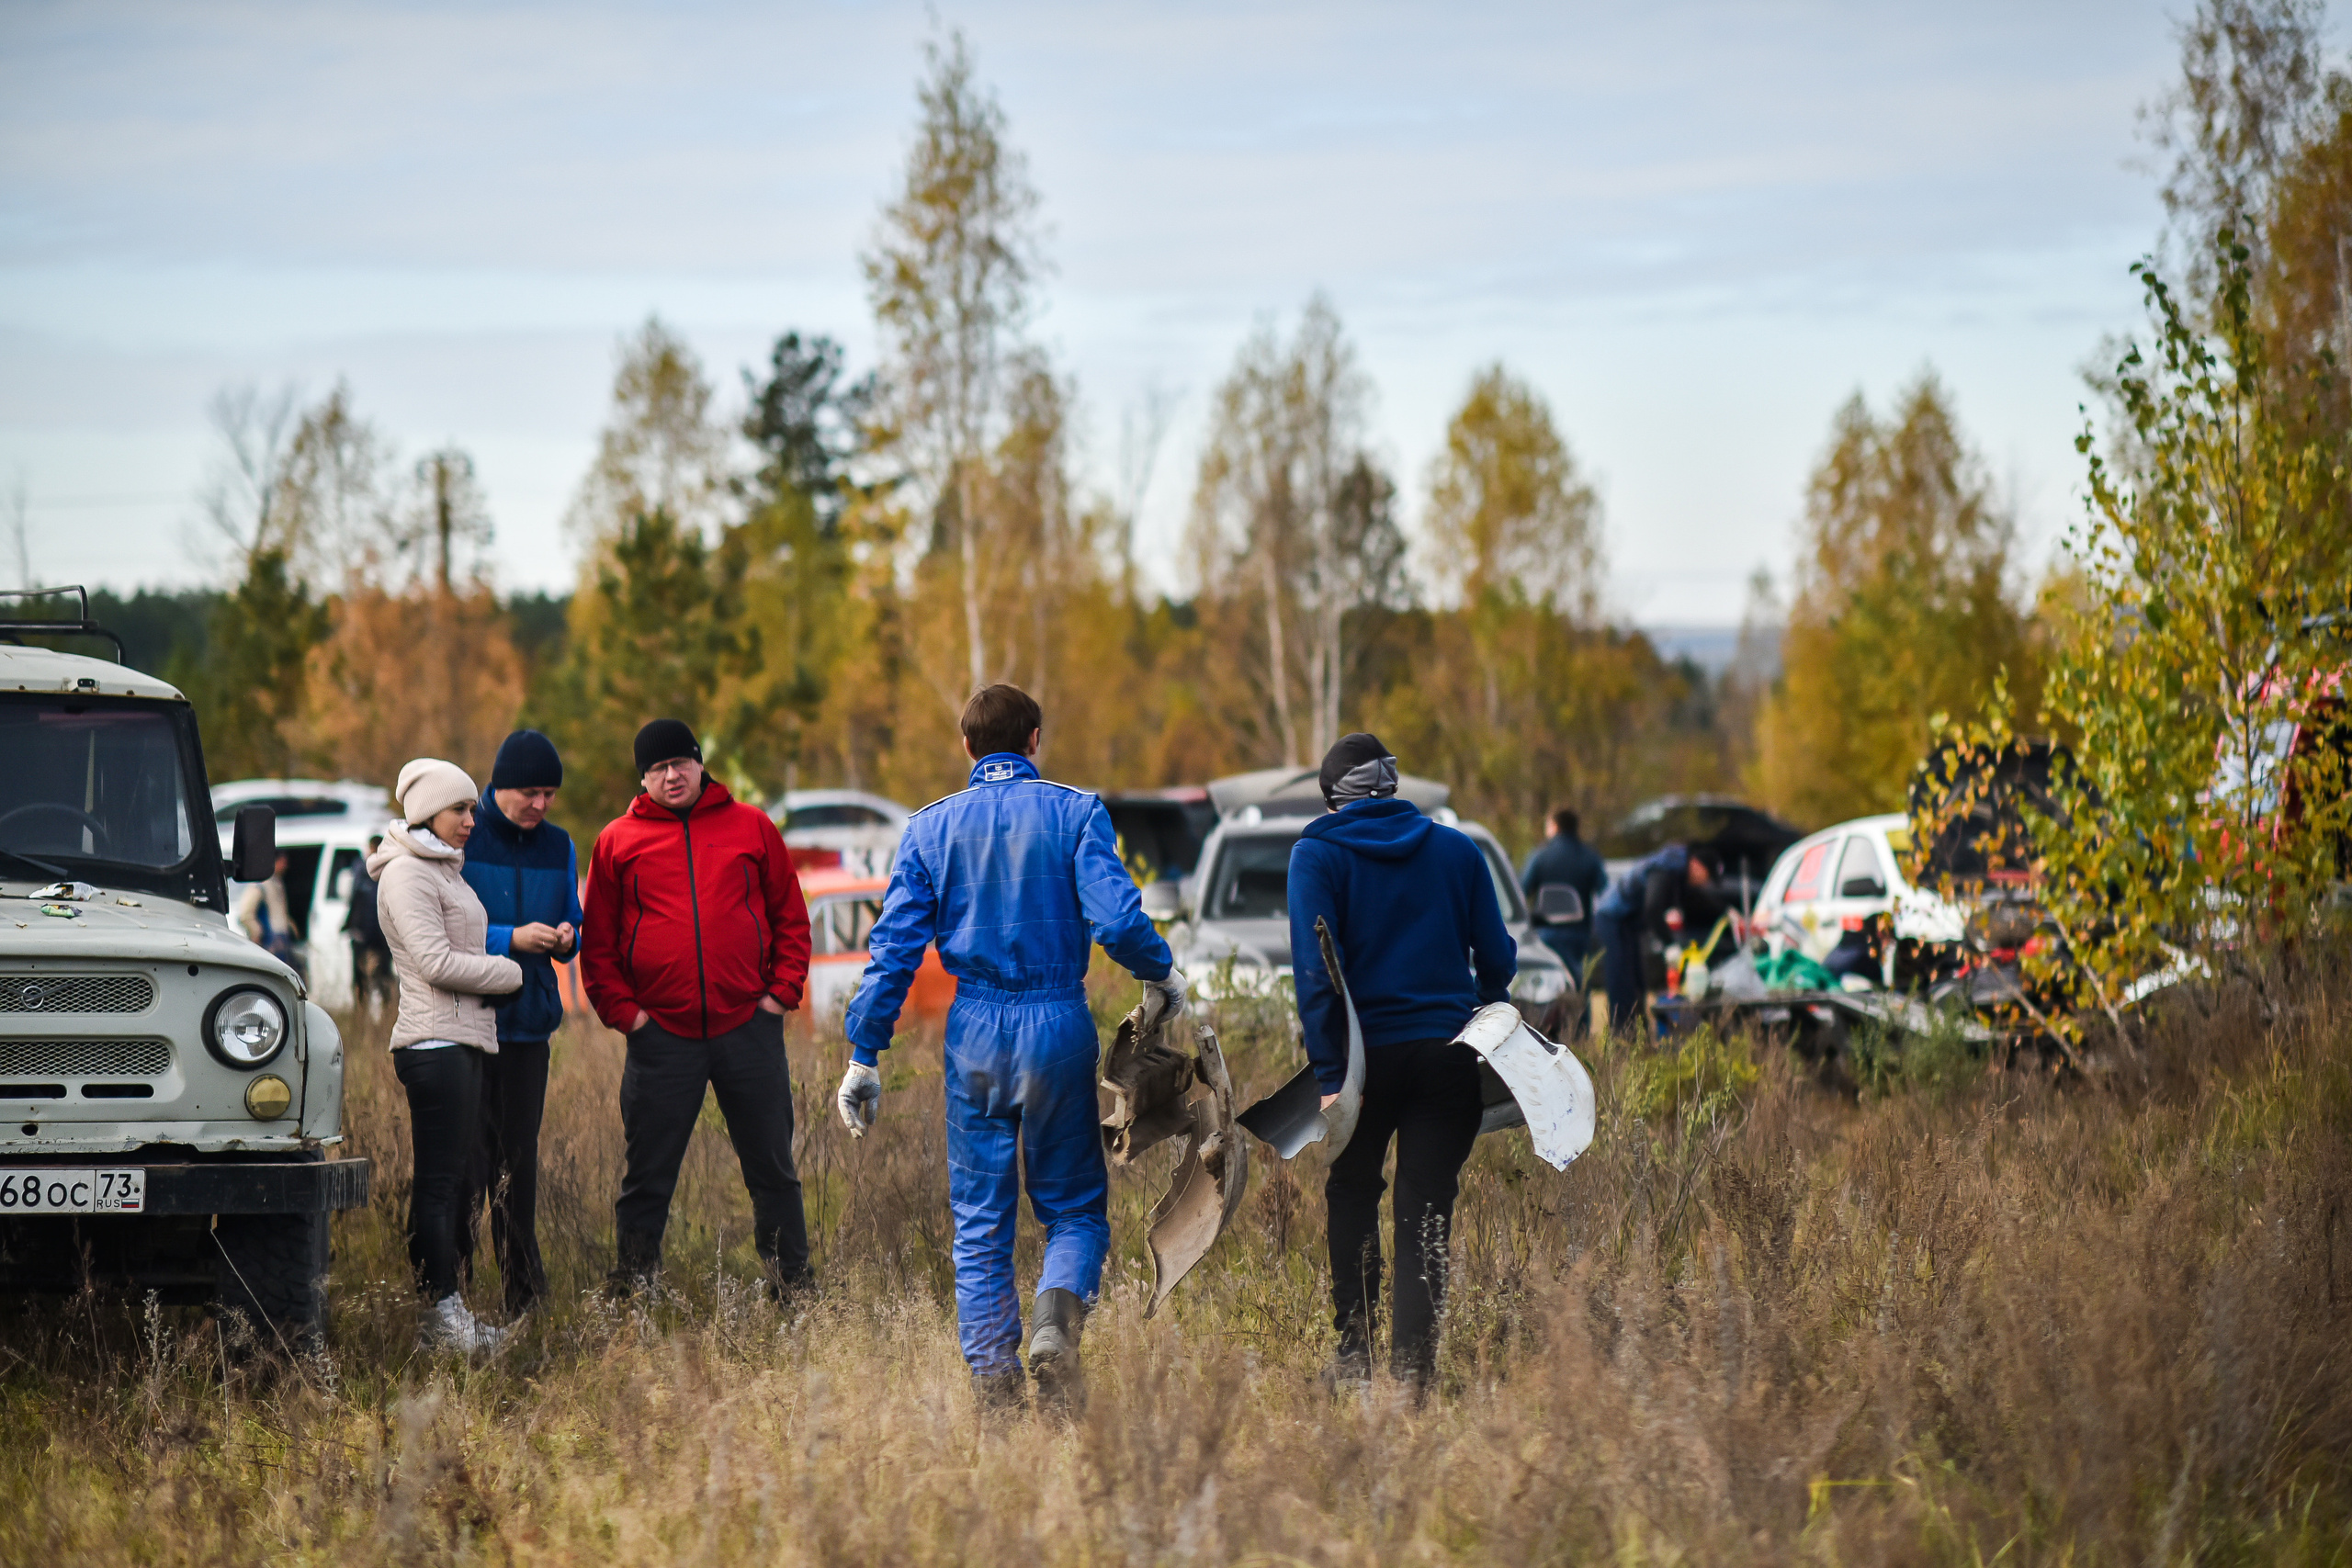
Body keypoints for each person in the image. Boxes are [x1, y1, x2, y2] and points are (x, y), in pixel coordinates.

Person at [834, 684, 1182, 1412]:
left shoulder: (930, 828)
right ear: (1034, 740)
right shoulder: (1075, 811)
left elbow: (892, 953)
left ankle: (995, 1390)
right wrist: (1162, 974)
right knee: (1075, 1207)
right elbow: (1119, 922)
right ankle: (1055, 1324)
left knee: (980, 1219)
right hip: (1057, 1023)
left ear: (967, 747)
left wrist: (864, 1053)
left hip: (974, 1034)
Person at [1289, 732, 1518, 1392]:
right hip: (1448, 1056)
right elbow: (1497, 958)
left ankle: (1355, 1359)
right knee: (1425, 1206)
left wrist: (1330, 1074)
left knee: (1353, 1190)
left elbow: (1316, 971)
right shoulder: (1457, 849)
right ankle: (1413, 1375)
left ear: (1333, 800)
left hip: (1364, 1060)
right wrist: (1487, 1008)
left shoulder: (1316, 854)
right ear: (1392, 785)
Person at [580, 718, 814, 1296]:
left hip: (748, 1029)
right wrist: (630, 1017)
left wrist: (779, 995)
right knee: (647, 1177)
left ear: (699, 763)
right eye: (658, 768)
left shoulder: (751, 826)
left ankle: (793, 1289)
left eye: (680, 763)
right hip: (661, 1038)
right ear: (643, 778)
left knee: (772, 1171)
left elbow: (791, 916)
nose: (671, 776)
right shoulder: (616, 842)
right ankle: (635, 1290)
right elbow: (598, 946)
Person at [368, 758, 525, 1355]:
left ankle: (448, 1312)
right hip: (434, 1044)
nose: (470, 819)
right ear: (429, 811)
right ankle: (439, 1317)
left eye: (471, 808)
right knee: (439, 1186)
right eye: (460, 808)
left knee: (456, 1183)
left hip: (461, 1039)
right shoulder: (407, 874)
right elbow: (435, 962)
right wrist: (508, 971)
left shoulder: (443, 870)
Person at [457, 729, 582, 1318]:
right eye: (530, 793)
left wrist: (567, 937)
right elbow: (442, 928)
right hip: (466, 1023)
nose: (541, 805)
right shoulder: (463, 834)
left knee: (518, 1166)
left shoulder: (559, 845)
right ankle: (449, 1295)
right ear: (499, 787)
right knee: (466, 1167)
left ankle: (523, 1299)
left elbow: (572, 916)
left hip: (529, 1026)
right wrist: (510, 938)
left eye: (550, 795)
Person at [1592, 842, 1723, 1032]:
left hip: (1628, 923)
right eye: (1708, 876)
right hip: (1613, 919)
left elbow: (1698, 900)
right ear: (1697, 865)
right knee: (1622, 981)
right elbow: (1652, 909)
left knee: (1637, 982)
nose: (1705, 883)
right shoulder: (1667, 868)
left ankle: (1637, 1034)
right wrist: (1669, 944)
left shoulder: (1678, 872)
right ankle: (1622, 1036)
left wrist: (1727, 911)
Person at [1518, 807, 1607, 982]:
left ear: (1555, 826)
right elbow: (1604, 893)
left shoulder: (1540, 856)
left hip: (1546, 932)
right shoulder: (1590, 857)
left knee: (1549, 982)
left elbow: (1522, 891)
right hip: (1579, 932)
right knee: (1580, 981)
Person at [345, 834, 393, 1015]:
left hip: (375, 935)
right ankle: (362, 1014)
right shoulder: (373, 871)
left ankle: (377, 1014)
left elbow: (353, 901)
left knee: (380, 979)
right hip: (372, 934)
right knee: (363, 979)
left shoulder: (368, 872)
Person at [236, 851, 299, 969]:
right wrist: (257, 932)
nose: (285, 866)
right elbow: (246, 914)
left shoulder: (277, 883)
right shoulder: (260, 884)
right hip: (269, 940)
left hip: (281, 939)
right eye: (282, 862)